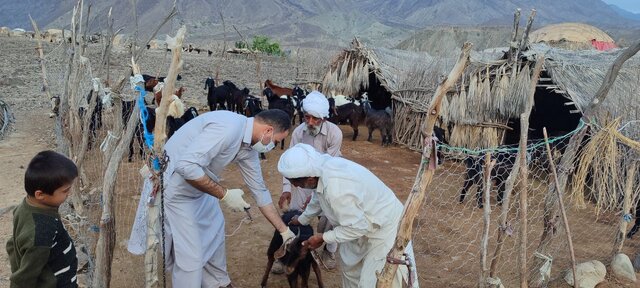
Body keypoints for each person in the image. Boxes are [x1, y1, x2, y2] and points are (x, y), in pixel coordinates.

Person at [162, 109, 296, 288]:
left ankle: (217, 283)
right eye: (276, 141)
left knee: (215, 231)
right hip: (177, 191)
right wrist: (224, 194)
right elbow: (186, 167)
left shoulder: (249, 147)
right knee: (191, 254)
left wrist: (283, 231)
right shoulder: (229, 128)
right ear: (268, 131)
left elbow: (260, 191)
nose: (273, 146)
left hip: (200, 188)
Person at [280, 143, 418, 288]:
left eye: (296, 182)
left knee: (374, 281)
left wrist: (323, 238)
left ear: (309, 179)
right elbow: (317, 196)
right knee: (351, 273)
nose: (295, 186)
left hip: (383, 228)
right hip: (357, 223)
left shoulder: (337, 188)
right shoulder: (320, 171)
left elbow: (358, 227)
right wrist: (302, 219)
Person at [275, 90, 342, 273]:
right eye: (307, 117)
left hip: (327, 178)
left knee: (330, 216)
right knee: (295, 214)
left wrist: (315, 196)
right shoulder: (298, 132)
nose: (310, 122)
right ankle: (289, 252)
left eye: (315, 119)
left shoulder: (335, 134)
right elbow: (289, 162)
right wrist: (287, 188)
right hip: (302, 179)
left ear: (324, 119)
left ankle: (329, 251)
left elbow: (329, 167)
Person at [6, 150, 79, 288]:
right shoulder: (42, 230)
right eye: (65, 191)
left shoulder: (25, 207)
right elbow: (24, 279)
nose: (69, 193)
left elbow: (12, 244)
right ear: (40, 195)